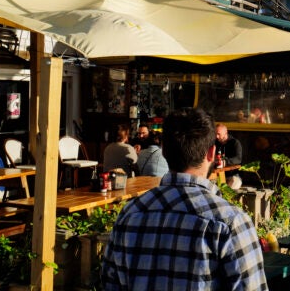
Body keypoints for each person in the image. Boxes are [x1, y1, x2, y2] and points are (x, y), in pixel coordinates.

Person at [101, 108, 268, 290]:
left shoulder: (130, 213)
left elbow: (109, 284)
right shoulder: (230, 222)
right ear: (211, 153)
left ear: (163, 151)